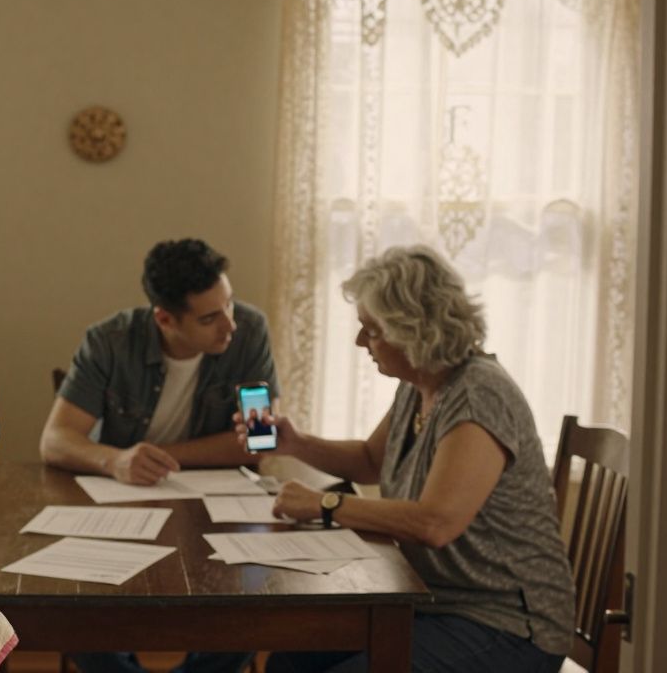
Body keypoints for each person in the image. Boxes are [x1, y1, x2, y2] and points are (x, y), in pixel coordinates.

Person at [237, 245, 573, 673]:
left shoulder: (479, 393)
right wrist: (295, 442)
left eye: (372, 330)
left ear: (414, 330)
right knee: (289, 661)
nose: (361, 342)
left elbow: (436, 523)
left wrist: (325, 505)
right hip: (432, 601)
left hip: (507, 623)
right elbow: (369, 460)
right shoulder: (418, 384)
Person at [40, 237, 277, 673]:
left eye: (229, 304)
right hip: (122, 507)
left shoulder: (251, 331)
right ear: (165, 318)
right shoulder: (109, 341)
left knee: (250, 605)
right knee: (75, 609)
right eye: (210, 318)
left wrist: (159, 455)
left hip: (218, 510)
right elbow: (54, 440)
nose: (230, 326)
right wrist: (115, 461)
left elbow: (259, 442)